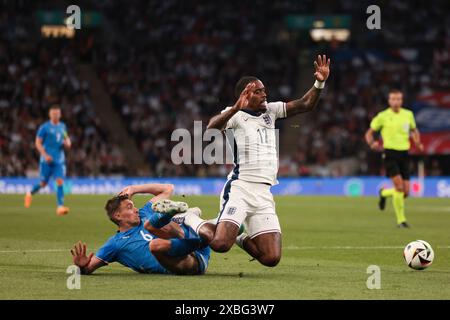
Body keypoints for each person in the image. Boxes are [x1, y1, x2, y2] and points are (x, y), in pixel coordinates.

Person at [180, 55, 331, 267]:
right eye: (258, 91)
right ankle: (189, 217)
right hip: (240, 189)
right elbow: (211, 129)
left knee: (271, 258)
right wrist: (234, 108)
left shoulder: (271, 110)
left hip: (264, 193)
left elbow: (306, 104)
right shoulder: (234, 115)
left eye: (264, 90)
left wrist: (320, 82)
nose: (264, 94)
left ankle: (240, 237)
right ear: (246, 95)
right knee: (220, 244)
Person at [70, 183, 210, 275]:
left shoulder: (144, 213)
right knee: (155, 244)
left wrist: (133, 189)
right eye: (130, 207)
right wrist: (81, 267)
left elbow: (168, 188)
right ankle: (186, 219)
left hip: (192, 245)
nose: (136, 209)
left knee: (154, 221)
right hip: (188, 262)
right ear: (117, 215)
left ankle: (184, 219)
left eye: (134, 205)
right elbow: (89, 268)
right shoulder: (115, 243)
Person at [365, 89, 424, 228]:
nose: (396, 102)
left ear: (401, 101)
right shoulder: (383, 116)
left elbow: (414, 130)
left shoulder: (408, 114)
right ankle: (401, 221)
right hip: (390, 154)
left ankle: (384, 193)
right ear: (389, 101)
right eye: (393, 99)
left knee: (406, 192)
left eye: (398, 99)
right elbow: (369, 133)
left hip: (404, 154)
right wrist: (372, 143)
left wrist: (417, 142)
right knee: (399, 187)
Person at [24, 105, 71, 216]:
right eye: (53, 113)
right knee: (43, 183)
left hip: (59, 160)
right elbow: (37, 143)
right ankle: (29, 193)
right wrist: (45, 155)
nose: (55, 115)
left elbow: (66, 138)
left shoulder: (63, 126)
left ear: (60, 114)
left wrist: (68, 142)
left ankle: (60, 207)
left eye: (57, 113)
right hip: (46, 160)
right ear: (50, 114)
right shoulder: (44, 127)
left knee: (60, 181)